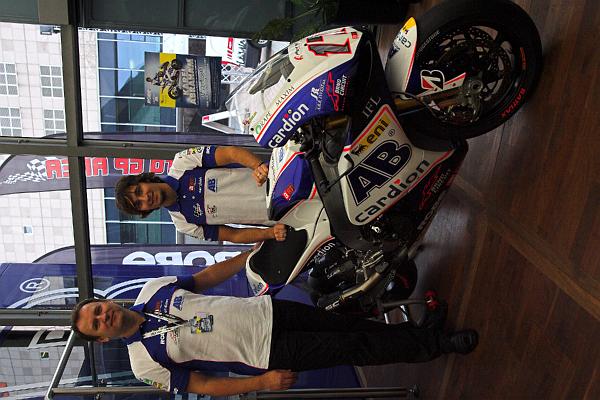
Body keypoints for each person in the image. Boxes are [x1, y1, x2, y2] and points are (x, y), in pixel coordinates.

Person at [72, 251, 479, 397]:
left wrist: (250, 256)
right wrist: (261, 383)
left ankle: (422, 333)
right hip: (265, 353)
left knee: (351, 328)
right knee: (353, 347)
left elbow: (205, 278)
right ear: (102, 338)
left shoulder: (153, 290)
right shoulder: (143, 364)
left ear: (104, 302)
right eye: (96, 324)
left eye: (97, 309)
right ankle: (437, 346)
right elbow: (203, 385)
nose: (103, 316)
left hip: (270, 311)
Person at [115, 145, 287, 243]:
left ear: (143, 180)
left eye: (139, 191)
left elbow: (230, 153)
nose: (145, 197)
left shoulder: (182, 162)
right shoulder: (183, 224)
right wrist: (270, 233)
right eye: (139, 203)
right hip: (281, 215)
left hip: (280, 179)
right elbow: (233, 235)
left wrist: (258, 166)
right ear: (144, 211)